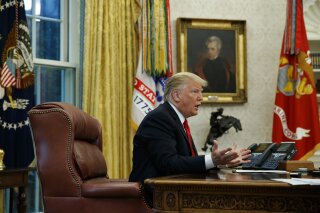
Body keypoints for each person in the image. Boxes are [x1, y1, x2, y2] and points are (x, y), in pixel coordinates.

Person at [129, 72, 251, 207]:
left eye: (201, 92)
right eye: (195, 92)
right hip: (155, 198)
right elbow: (169, 163)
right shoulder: (160, 118)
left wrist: (222, 162)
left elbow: (185, 161)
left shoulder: (175, 119)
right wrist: (212, 159)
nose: (201, 98)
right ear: (176, 95)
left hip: (173, 193)